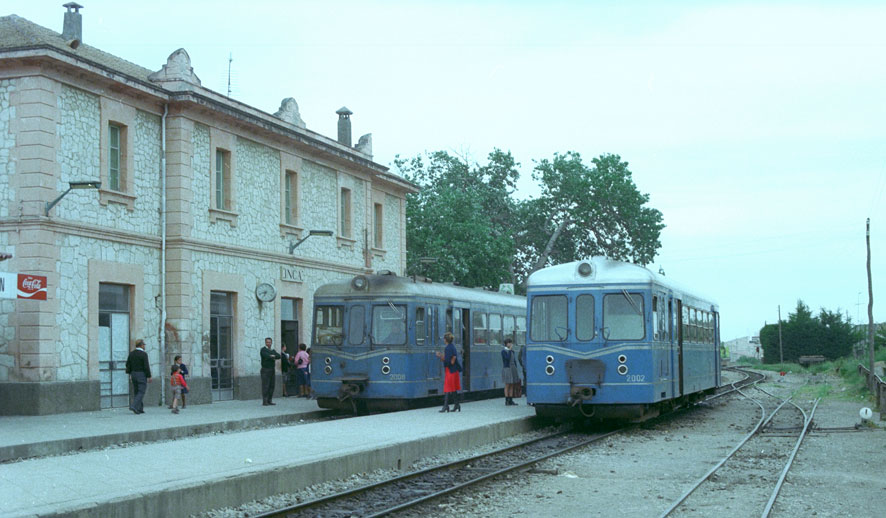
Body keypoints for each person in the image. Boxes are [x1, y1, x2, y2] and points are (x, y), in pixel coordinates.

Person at [435, 332, 461, 412]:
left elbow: (448, 361)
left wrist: (440, 356)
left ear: (445, 340)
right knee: (453, 388)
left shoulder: (447, 348)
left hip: (450, 370)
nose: (443, 340)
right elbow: (452, 358)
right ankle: (457, 405)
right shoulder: (453, 347)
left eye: (444, 339)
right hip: (454, 370)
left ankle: (446, 406)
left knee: (447, 388)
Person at [125, 339, 152, 414]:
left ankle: (139, 408)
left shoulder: (131, 353)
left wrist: (130, 373)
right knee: (141, 391)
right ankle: (134, 405)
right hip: (141, 374)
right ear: (141, 345)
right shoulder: (144, 354)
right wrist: (149, 376)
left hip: (133, 374)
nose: (144, 346)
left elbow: (128, 364)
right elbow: (146, 366)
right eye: (144, 345)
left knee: (136, 391)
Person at [260, 337, 281, 406]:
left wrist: (272, 356)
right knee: (266, 385)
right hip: (265, 370)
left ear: (271, 343)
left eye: (269, 342)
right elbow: (266, 356)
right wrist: (271, 356)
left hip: (272, 369)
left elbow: (278, 356)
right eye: (267, 342)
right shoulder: (263, 350)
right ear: (265, 342)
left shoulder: (272, 350)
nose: (268, 343)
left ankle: (270, 400)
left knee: (272, 385)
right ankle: (265, 401)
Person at [501, 338, 521, 405]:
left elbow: (514, 360)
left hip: (513, 368)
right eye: (509, 343)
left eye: (510, 343)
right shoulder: (503, 351)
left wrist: (516, 367)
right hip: (507, 368)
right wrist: (509, 350)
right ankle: (506, 400)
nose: (510, 344)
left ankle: (511, 399)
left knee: (512, 384)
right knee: (507, 384)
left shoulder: (512, 351)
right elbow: (507, 358)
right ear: (506, 344)